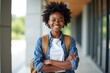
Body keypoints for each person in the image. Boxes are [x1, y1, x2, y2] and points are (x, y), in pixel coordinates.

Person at [33, 1, 79, 73]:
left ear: (64, 22)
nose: (57, 23)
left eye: (60, 20)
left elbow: (74, 65)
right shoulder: (41, 41)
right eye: (53, 19)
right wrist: (66, 63)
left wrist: (50, 62)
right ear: (48, 21)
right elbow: (38, 65)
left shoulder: (70, 40)